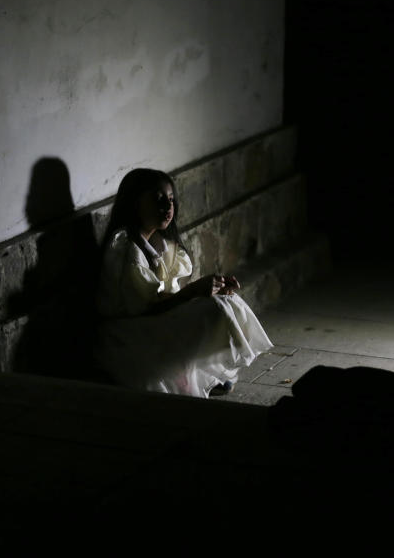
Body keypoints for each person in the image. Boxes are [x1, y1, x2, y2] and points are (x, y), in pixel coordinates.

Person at [94, 168, 273, 398]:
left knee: (226, 301)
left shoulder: (161, 243)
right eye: (158, 199)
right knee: (214, 310)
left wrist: (208, 291)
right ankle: (182, 376)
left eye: (170, 200)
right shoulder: (124, 247)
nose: (167, 207)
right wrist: (193, 292)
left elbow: (167, 298)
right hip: (127, 334)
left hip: (150, 322)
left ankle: (195, 374)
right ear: (135, 202)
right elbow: (145, 310)